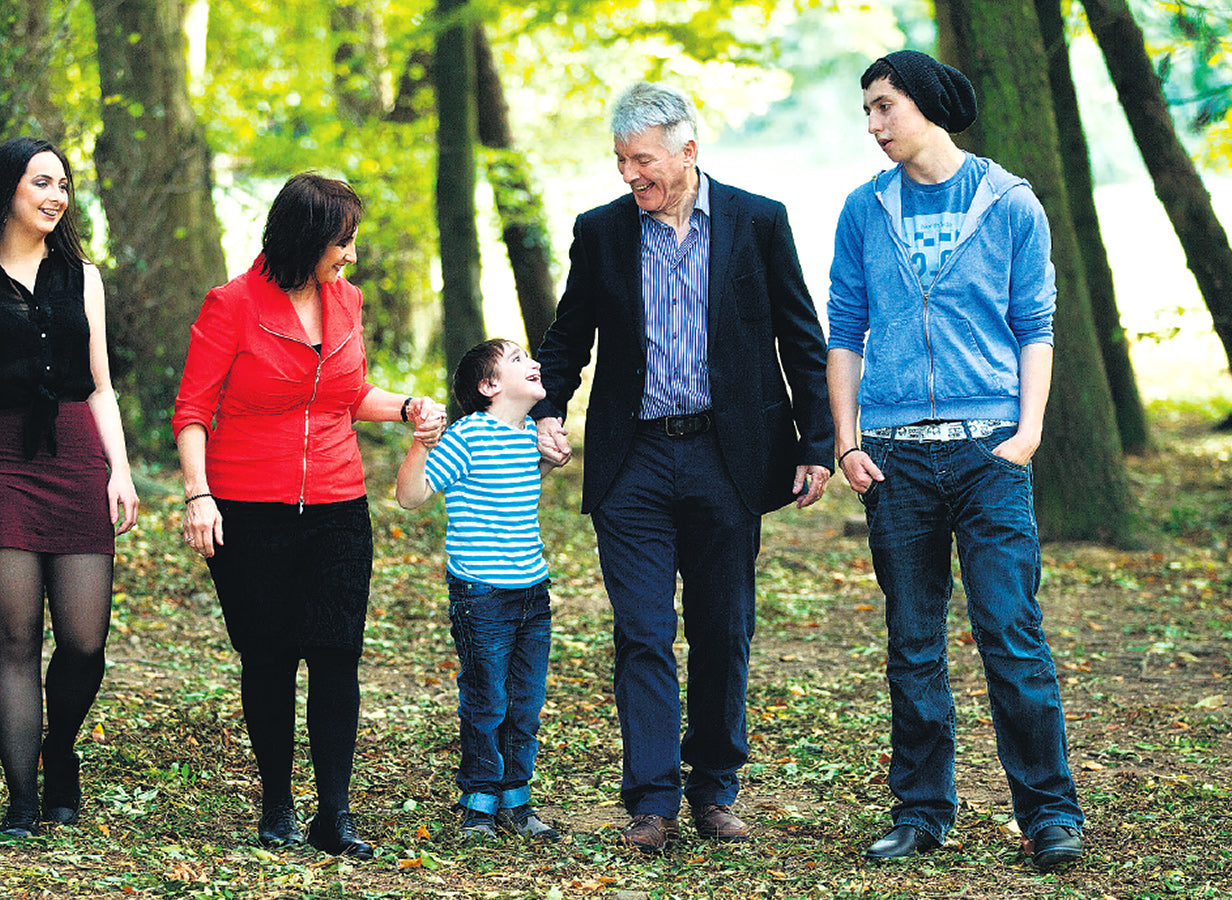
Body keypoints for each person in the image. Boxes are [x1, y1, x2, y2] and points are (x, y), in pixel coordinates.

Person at [532, 82, 834, 852]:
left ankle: (715, 789)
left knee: (722, 628)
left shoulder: (757, 222)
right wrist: (547, 408)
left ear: (687, 151)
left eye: (643, 160)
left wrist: (817, 442)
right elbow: (570, 336)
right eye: (622, 161)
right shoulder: (600, 231)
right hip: (631, 460)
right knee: (641, 630)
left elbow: (801, 337)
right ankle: (653, 800)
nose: (632, 175)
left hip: (726, 457)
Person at [825, 50, 1085, 872]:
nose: (873, 125)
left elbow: (1035, 324)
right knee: (913, 642)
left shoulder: (1009, 204)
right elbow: (844, 328)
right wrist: (848, 439)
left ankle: (1049, 814)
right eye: (867, 110)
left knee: (1011, 633)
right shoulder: (863, 211)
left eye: (884, 106)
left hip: (987, 453)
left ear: (928, 104)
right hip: (896, 460)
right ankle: (921, 811)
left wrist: (1027, 434)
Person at [172, 172, 444, 859]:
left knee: (337, 657)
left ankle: (335, 815)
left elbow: (350, 394)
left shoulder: (346, 302)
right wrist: (198, 495)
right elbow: (193, 410)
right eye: (342, 241)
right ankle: (275, 803)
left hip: (337, 506)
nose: (350, 255)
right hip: (248, 510)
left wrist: (408, 406)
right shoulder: (230, 304)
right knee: (267, 659)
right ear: (308, 236)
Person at [0, 137, 140, 838]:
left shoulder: (84, 278)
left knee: (83, 641)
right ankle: (22, 800)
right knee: (15, 636)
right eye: (41, 182)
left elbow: (103, 388)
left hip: (75, 455)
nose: (55, 196)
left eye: (63, 185)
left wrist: (121, 469)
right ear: (7, 191)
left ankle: (59, 751)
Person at [396, 339, 562, 844]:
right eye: (517, 360)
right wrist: (422, 443)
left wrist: (551, 461)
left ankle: (516, 799)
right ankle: (479, 802)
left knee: (526, 702)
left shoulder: (526, 436)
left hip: (532, 593)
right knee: (487, 699)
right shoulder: (467, 437)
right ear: (489, 387)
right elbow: (411, 496)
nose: (532, 363)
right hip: (482, 594)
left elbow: (516, 489)